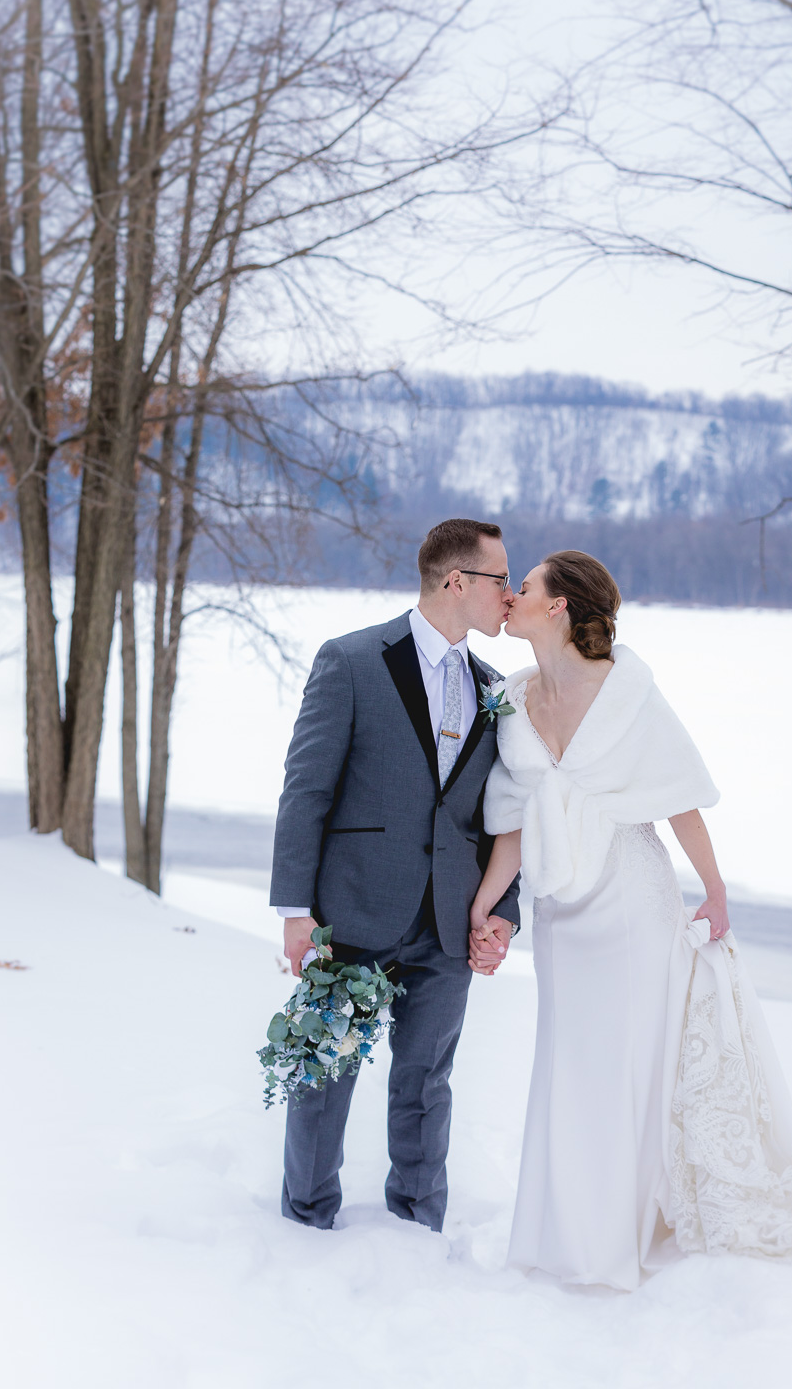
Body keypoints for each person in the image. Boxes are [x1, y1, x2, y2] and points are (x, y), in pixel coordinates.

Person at [470, 549, 792, 1289]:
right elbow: (513, 821)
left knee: (627, 1068)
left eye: (525, 587)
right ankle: (563, 1232)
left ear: (558, 607)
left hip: (631, 906)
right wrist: (483, 907)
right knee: (567, 1065)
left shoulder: (626, 693)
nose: (510, 596)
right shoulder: (514, 697)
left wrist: (712, 890)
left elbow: (680, 798)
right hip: (561, 915)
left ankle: (620, 1236)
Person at [270, 518, 519, 1232]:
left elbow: (510, 815)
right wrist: (295, 908)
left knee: (426, 1079)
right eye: (500, 579)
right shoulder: (350, 661)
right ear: (456, 582)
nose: (509, 593)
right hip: (352, 909)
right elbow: (306, 790)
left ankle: (417, 1224)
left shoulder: (496, 688)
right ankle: (306, 1217)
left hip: (448, 921)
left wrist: (503, 912)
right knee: (324, 1070)